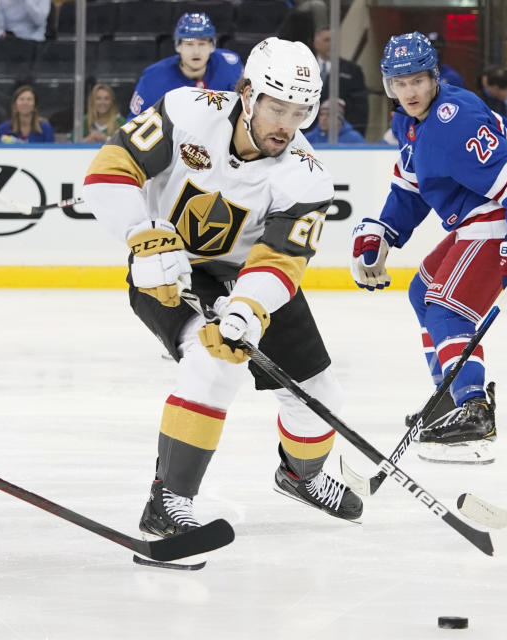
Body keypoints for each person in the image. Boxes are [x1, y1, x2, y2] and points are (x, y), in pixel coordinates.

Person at [81, 37, 363, 539]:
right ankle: (168, 500)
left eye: (299, 111)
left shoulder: (308, 179)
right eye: (277, 107)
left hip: (248, 274)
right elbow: (109, 171)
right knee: (214, 364)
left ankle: (302, 476)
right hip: (168, 266)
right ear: (248, 93)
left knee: (321, 394)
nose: (286, 124)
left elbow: (281, 260)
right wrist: (139, 233)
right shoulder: (186, 110)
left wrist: (249, 309)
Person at [350, 32, 507, 465]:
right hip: (477, 215)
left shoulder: (453, 120)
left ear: (434, 77)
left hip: (502, 211)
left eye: (417, 81)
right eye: (399, 83)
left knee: (448, 310)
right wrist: (383, 230)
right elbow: (411, 189)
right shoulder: (407, 122)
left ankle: (474, 411)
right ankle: (449, 396)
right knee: (422, 293)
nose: (409, 92)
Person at [129, 12, 242, 117]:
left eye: (202, 44)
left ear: (212, 46)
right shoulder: (153, 78)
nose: (196, 51)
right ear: (178, 46)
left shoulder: (230, 65)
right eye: (189, 44)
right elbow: (134, 125)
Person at [310, 26, 368, 136]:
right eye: (327, 40)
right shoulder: (304, 68)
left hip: (340, 137)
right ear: (316, 43)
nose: (332, 44)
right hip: (307, 136)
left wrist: (350, 135)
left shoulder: (352, 71)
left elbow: (360, 110)